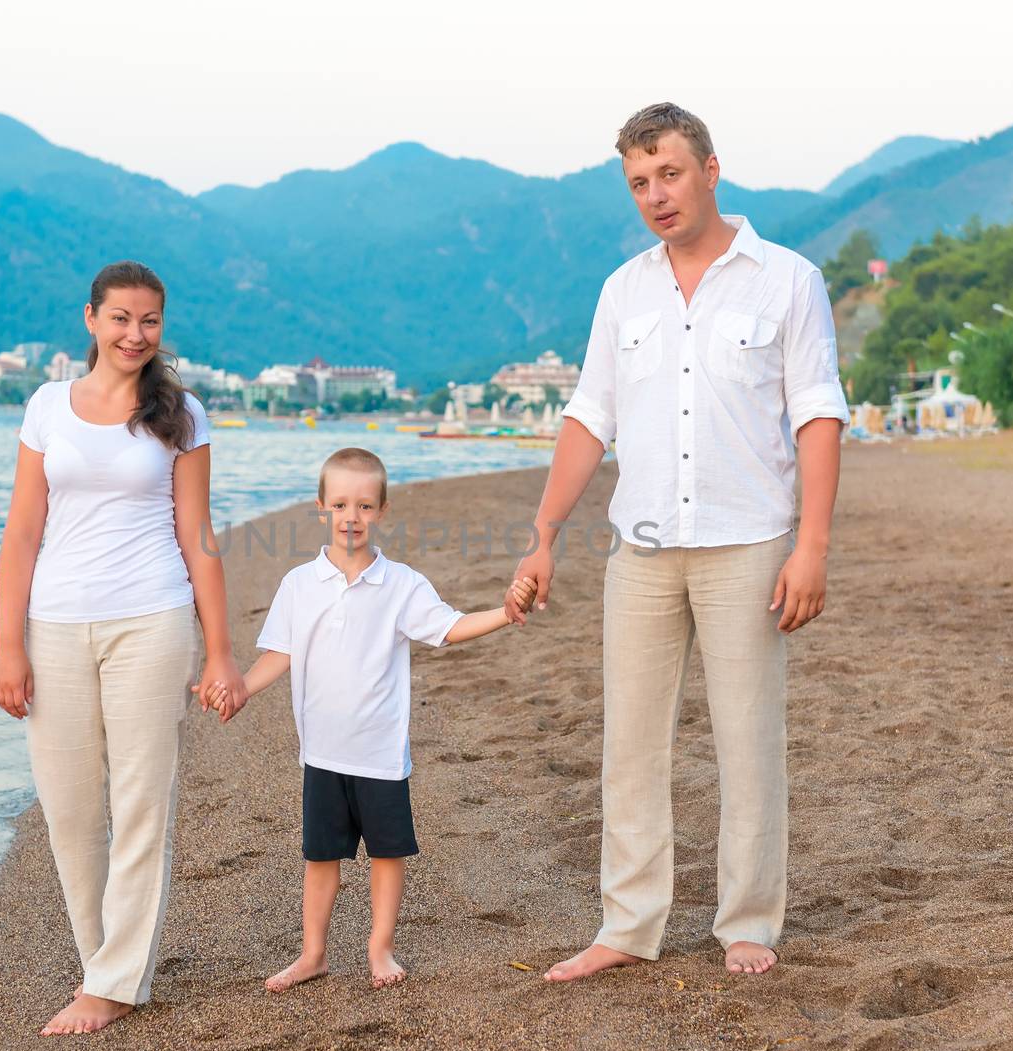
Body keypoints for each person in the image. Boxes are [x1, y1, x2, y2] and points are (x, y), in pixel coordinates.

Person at [503, 103, 848, 980]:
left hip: (751, 543)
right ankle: (627, 926)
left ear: (710, 169)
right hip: (643, 550)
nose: (655, 195)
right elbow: (590, 417)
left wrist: (811, 548)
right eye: (639, 182)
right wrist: (543, 538)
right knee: (630, 743)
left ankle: (748, 924)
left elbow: (816, 416)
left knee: (748, 739)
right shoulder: (625, 290)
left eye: (669, 174)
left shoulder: (788, 279)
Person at [0, 260, 248, 1036]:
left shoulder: (182, 414)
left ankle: (110, 984)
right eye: (121, 319)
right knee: (70, 810)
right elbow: (23, 531)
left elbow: (196, 535)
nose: (136, 334)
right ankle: (104, 963)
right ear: (91, 320)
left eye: (150, 322)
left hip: (152, 620)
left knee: (142, 802)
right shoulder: (46, 408)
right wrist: (9, 646)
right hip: (55, 625)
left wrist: (221, 651)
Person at [199, 448, 536, 990]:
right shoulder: (298, 584)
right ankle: (313, 953)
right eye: (338, 504)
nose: (349, 516)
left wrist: (505, 613)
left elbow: (448, 628)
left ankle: (380, 949)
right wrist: (238, 690)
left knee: (387, 854)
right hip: (322, 753)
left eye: (362, 505)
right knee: (321, 857)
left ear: (381, 509)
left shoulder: (401, 584)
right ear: (320, 507)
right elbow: (279, 655)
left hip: (380, 753)